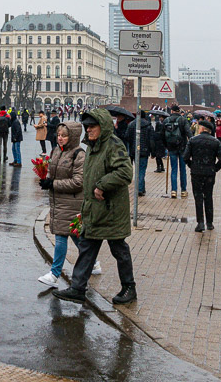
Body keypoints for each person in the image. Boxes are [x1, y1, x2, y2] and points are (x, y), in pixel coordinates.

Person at [52, 109, 136, 305]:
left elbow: (125, 172)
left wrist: (102, 185)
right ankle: (78, 288)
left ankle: (129, 288)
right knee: (87, 247)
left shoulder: (114, 145)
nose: (88, 130)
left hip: (111, 209)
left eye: (92, 126)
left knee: (119, 249)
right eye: (86, 126)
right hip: (94, 209)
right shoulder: (92, 146)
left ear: (103, 126)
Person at [38, 122, 86, 287]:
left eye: (64, 135)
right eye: (59, 135)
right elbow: (53, 171)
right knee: (75, 236)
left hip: (72, 202)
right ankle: (92, 262)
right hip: (59, 201)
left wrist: (54, 184)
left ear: (72, 137)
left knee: (60, 236)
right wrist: (47, 179)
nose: (60, 138)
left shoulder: (79, 154)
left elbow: (79, 182)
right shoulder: (57, 150)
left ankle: (54, 274)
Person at [183, 120, 221, 232]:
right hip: (209, 173)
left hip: (196, 172)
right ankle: (210, 223)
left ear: (201, 129)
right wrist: (214, 168)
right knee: (208, 196)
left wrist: (191, 165)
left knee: (198, 197)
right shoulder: (215, 142)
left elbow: (185, 157)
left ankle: (200, 223)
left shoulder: (193, 140)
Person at [163, 105, 191, 199]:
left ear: (171, 111)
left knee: (173, 169)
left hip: (171, 148)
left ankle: (173, 190)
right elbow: (189, 133)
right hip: (182, 147)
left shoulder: (166, 120)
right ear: (179, 111)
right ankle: (183, 191)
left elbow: (162, 135)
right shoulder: (183, 120)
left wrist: (166, 146)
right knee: (183, 170)